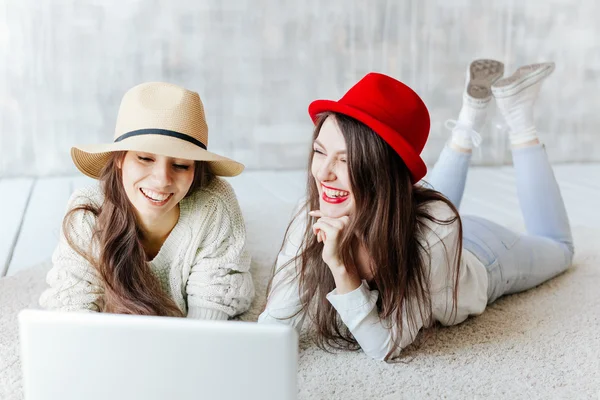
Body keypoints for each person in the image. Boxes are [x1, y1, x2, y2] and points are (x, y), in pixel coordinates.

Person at [258, 61, 573, 361]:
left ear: (381, 171)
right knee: (414, 207)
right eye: (319, 152)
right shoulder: (312, 214)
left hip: (483, 256)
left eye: (344, 160)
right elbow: (274, 325)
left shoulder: (436, 232)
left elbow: (383, 345)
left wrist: (341, 266)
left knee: (560, 249)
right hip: (396, 211)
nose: (323, 173)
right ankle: (468, 120)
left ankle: (519, 118)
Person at [39, 82, 254, 320]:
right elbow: (71, 305)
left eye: (181, 165)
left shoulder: (214, 205)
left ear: (196, 168)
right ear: (119, 158)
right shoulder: (88, 213)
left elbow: (209, 316)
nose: (162, 180)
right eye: (145, 158)